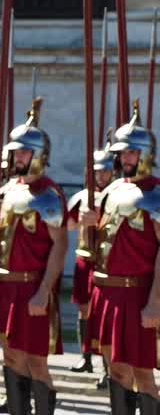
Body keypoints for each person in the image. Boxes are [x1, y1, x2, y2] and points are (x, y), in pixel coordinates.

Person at [0, 100, 67, 415]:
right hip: (5, 285)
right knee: (11, 356)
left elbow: (60, 246)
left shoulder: (49, 195)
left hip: (32, 287)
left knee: (35, 361)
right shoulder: (6, 191)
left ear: (39, 157)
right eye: (16, 152)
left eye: (25, 152)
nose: (19, 157)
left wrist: (44, 291)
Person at [83, 103, 160, 413]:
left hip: (139, 293)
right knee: (115, 368)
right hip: (106, 292)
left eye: (131, 153)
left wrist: (155, 302)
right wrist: (91, 222)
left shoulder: (156, 193)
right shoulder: (111, 190)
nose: (125, 158)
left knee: (143, 373)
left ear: (145, 155)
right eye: (122, 153)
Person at [66, 143, 113, 384]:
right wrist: (82, 219)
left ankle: (108, 370)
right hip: (84, 260)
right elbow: (67, 225)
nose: (101, 176)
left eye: (105, 171)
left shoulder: (116, 196)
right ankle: (85, 357)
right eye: (97, 172)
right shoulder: (83, 197)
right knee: (83, 311)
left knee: (103, 317)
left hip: (105, 264)